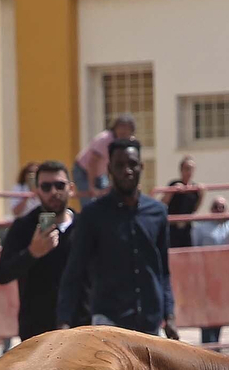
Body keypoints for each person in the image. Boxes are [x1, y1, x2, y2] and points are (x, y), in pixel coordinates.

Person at [57, 138, 178, 339]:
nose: (127, 171)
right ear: (109, 169)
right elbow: (74, 271)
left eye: (132, 164)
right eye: (119, 165)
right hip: (109, 321)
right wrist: (64, 320)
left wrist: (170, 315)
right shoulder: (93, 215)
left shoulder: (158, 213)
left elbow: (163, 271)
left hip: (149, 321)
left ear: (141, 167)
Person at [0, 161, 82, 340]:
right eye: (46, 186)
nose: (53, 192)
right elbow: (2, 274)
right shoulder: (24, 227)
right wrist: (32, 253)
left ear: (71, 188)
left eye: (59, 185)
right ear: (37, 191)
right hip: (37, 331)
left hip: (82, 327)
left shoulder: (84, 226)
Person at [192, 196, 229, 345]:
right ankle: (208, 345)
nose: (219, 210)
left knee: (220, 313)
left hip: (226, 277)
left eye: (222, 207)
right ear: (211, 209)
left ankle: (215, 344)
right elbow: (193, 249)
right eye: (216, 207)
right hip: (208, 276)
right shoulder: (201, 227)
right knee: (207, 313)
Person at [72, 114, 134, 198]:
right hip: (84, 171)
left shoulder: (125, 143)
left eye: (127, 128)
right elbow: (92, 162)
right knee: (90, 202)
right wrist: (92, 186)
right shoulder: (105, 139)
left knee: (108, 198)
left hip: (100, 174)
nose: (123, 131)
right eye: (121, 127)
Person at [161, 155, 202, 249]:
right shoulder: (174, 184)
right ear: (181, 170)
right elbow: (162, 203)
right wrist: (172, 191)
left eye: (191, 169)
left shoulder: (195, 188)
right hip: (172, 227)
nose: (189, 172)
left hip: (187, 228)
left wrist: (202, 195)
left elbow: (195, 209)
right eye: (187, 169)